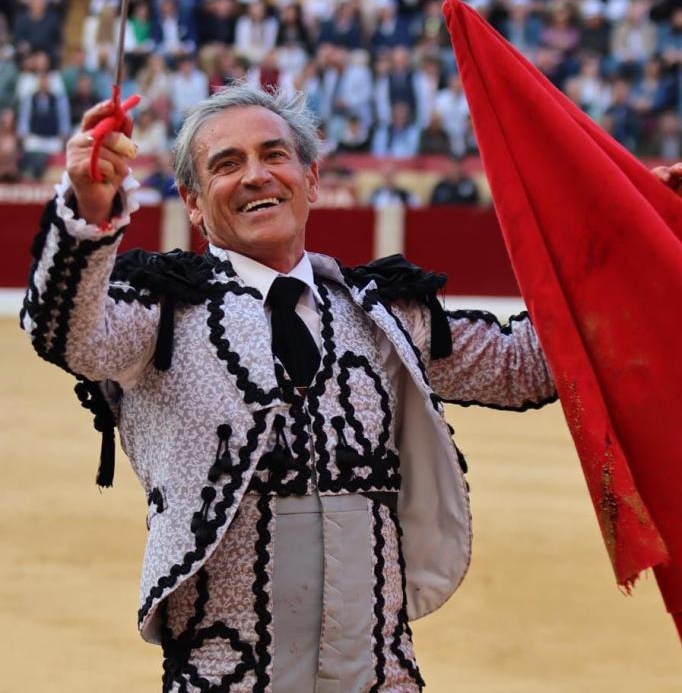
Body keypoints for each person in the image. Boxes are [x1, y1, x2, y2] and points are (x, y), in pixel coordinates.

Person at [22, 83, 555, 691]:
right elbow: (68, 333)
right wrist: (89, 211)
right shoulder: (162, 315)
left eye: (274, 156)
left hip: (380, 675)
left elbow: (525, 366)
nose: (256, 176)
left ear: (311, 177)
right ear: (193, 204)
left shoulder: (379, 313)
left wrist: (632, 230)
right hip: (224, 677)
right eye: (226, 165)